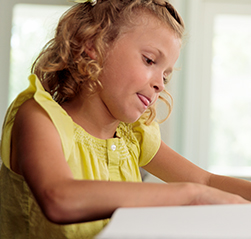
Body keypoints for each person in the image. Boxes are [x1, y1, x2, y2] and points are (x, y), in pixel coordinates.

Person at [0, 0, 251, 238]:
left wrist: (204, 191)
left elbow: (206, 181)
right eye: (150, 60)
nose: (160, 85)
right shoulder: (39, 117)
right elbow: (58, 198)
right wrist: (192, 195)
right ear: (93, 43)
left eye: (165, 76)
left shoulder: (134, 134)